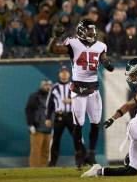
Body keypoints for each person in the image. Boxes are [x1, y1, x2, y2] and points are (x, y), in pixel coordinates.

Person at [47, 19, 114, 168]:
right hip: (77, 90)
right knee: (78, 124)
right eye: (89, 30)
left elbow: (104, 59)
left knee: (96, 123)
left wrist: (108, 63)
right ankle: (79, 155)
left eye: (93, 30)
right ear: (82, 31)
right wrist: (55, 37)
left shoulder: (101, 45)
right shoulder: (72, 43)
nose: (92, 33)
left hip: (93, 89)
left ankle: (91, 153)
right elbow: (53, 50)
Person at [45, 66, 78, 167]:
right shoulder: (54, 87)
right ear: (59, 74)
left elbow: (82, 99)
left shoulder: (74, 86)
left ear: (69, 74)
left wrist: (71, 100)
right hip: (59, 116)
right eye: (62, 72)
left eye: (66, 72)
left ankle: (82, 160)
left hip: (71, 116)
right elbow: (49, 104)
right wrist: (47, 118)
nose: (64, 74)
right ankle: (52, 163)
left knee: (78, 138)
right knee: (55, 140)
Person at [25, 80, 52, 167]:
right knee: (36, 150)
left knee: (46, 151)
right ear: (41, 86)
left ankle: (43, 169)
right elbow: (29, 110)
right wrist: (30, 124)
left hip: (48, 129)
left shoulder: (52, 97)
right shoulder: (34, 96)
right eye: (45, 85)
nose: (47, 87)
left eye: (49, 85)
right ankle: (34, 168)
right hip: (37, 128)